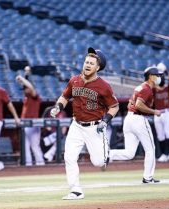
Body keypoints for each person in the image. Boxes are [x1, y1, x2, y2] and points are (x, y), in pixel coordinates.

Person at [50, 47, 119, 200]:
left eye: (91, 63)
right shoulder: (74, 80)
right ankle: (76, 190)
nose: (87, 65)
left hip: (95, 127)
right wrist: (57, 107)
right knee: (69, 157)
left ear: (98, 67)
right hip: (76, 125)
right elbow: (64, 97)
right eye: (86, 62)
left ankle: (106, 151)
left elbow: (114, 106)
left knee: (98, 161)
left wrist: (105, 121)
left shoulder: (104, 86)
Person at [110, 66, 163, 184]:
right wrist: (154, 112)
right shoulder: (146, 88)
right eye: (157, 75)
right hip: (138, 119)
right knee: (150, 149)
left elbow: (133, 103)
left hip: (129, 119)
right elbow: (139, 105)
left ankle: (108, 155)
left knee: (129, 153)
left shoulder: (140, 87)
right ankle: (148, 177)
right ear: (150, 76)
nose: (159, 77)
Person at [16, 72, 45, 166]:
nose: (24, 90)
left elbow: (31, 88)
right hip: (24, 124)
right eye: (24, 89)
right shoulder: (26, 97)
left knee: (34, 146)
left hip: (33, 124)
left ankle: (40, 163)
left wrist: (23, 79)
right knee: (25, 146)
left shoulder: (35, 96)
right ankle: (28, 165)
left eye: (25, 88)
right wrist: (25, 76)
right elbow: (27, 86)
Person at [154, 62, 169, 162]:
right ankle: (163, 154)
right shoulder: (154, 89)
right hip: (157, 113)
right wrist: (155, 72)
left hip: (167, 113)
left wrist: (166, 71)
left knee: (168, 133)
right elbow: (149, 83)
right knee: (160, 135)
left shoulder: (168, 88)